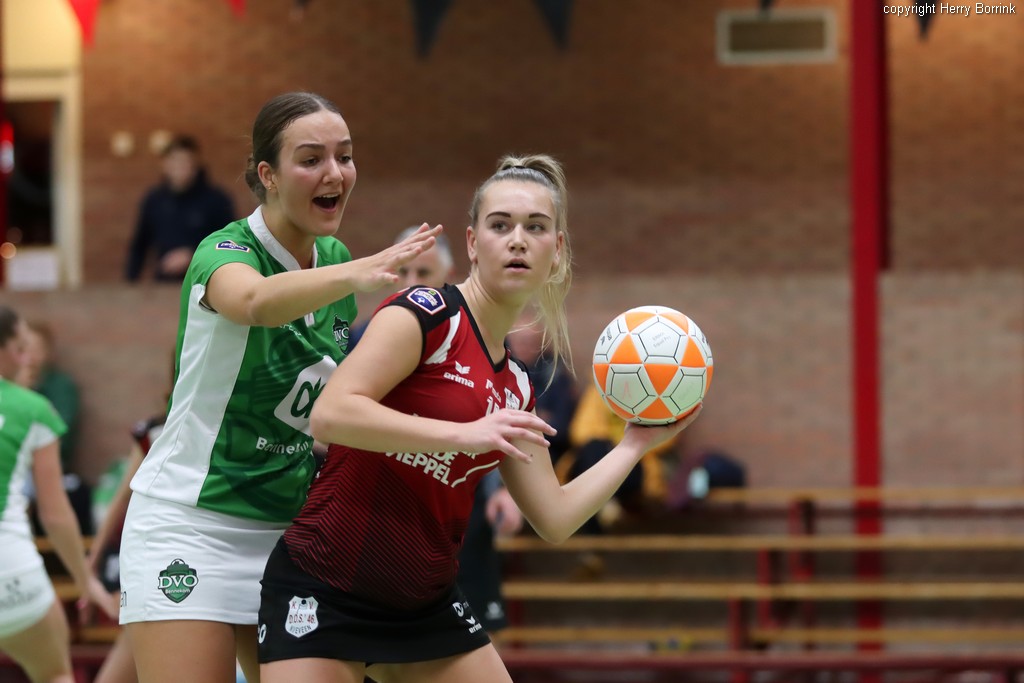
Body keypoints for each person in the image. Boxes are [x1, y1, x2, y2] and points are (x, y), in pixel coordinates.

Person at [256, 153, 702, 682]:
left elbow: (554, 518)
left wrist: (634, 445)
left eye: (536, 227)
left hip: (424, 605)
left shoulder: (517, 386)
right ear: (472, 243)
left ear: (557, 251)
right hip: (324, 586)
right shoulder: (423, 314)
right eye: (500, 225)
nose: (518, 240)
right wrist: (463, 435)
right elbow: (330, 415)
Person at [117, 91, 441, 683]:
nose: (334, 173)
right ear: (267, 175)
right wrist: (356, 273)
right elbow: (254, 302)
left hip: (289, 533)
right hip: (190, 519)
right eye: (312, 159)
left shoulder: (333, 257)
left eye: (345, 157)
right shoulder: (226, 251)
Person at [0, 305, 117, 683]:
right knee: (54, 673)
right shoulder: (33, 409)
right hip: (11, 576)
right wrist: (85, 581)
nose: (26, 359)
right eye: (20, 348)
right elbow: (54, 514)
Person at [124, 134, 236, 282]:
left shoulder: (216, 200)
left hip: (205, 282)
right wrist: (130, 282)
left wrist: (192, 255)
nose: (180, 168)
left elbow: (230, 244)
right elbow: (140, 245)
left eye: (185, 162)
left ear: (195, 165)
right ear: (165, 165)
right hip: (165, 283)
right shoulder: (154, 200)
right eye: (174, 161)